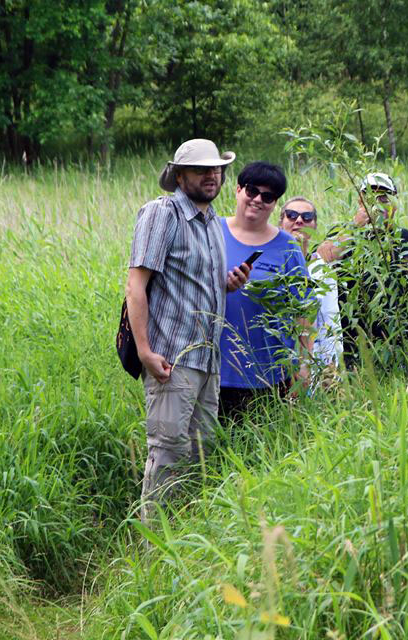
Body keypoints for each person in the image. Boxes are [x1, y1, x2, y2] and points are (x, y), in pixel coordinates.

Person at [126, 138, 251, 522]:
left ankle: (186, 540)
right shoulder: (162, 214)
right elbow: (136, 284)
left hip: (207, 360)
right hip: (172, 358)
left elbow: (192, 282)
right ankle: (151, 550)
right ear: (180, 176)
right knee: (167, 453)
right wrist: (145, 351)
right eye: (201, 170)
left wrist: (227, 284)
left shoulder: (214, 222)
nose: (212, 176)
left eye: (216, 169)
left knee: (200, 454)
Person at [319, 172, 408, 372]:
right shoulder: (343, 236)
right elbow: (322, 258)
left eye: (384, 198)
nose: (378, 204)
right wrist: (355, 227)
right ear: (359, 201)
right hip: (353, 354)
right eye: (371, 198)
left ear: (395, 203)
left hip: (402, 350)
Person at [219, 162, 312, 422]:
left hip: (269, 374)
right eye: (251, 190)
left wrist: (303, 365)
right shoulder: (210, 231)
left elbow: (303, 309)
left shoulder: (288, 247)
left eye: (268, 196)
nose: (258, 199)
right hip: (212, 372)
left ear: (275, 204)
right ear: (237, 190)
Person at [279, 197, 343, 371]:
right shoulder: (272, 265)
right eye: (291, 215)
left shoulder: (322, 266)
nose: (299, 220)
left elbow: (330, 318)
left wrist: (332, 363)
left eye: (307, 217)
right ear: (281, 222)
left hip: (324, 362)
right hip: (283, 363)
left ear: (314, 226)